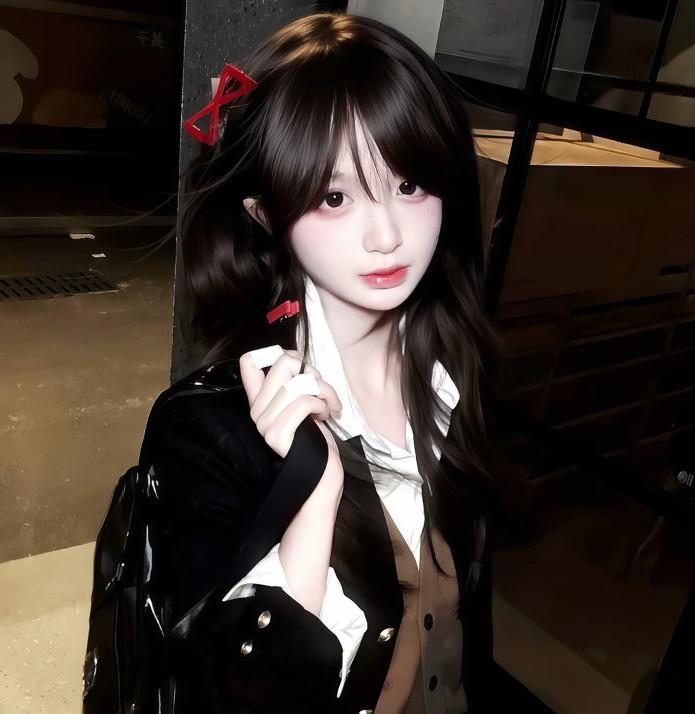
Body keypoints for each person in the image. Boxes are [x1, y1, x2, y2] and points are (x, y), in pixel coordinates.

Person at [149, 11, 504, 714]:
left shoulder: (457, 366)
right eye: (335, 197)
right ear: (263, 213)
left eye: (410, 185)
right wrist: (311, 500)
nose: (386, 235)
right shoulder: (207, 430)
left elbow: (468, 615)